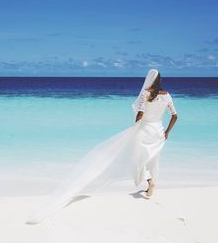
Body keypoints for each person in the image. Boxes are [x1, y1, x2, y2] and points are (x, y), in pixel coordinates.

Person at [26, 69, 177, 224]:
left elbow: (140, 113)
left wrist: (135, 125)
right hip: (158, 132)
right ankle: (150, 183)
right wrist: (167, 131)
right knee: (153, 158)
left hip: (144, 130)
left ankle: (149, 180)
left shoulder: (146, 93)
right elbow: (174, 115)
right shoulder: (167, 95)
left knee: (138, 158)